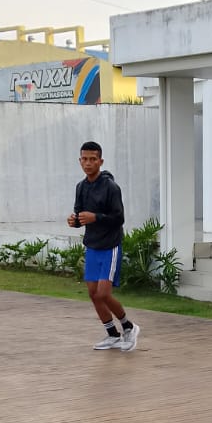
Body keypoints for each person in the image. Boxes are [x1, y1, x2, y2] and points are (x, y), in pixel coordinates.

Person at [67, 141, 138, 351]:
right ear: (80, 161)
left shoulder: (111, 188)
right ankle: (113, 334)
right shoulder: (80, 187)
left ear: (101, 161)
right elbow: (81, 215)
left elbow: (119, 218)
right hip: (92, 245)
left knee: (104, 294)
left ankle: (129, 327)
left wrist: (95, 217)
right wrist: (74, 221)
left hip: (110, 246)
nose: (88, 163)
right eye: (84, 159)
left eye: (93, 159)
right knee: (92, 293)